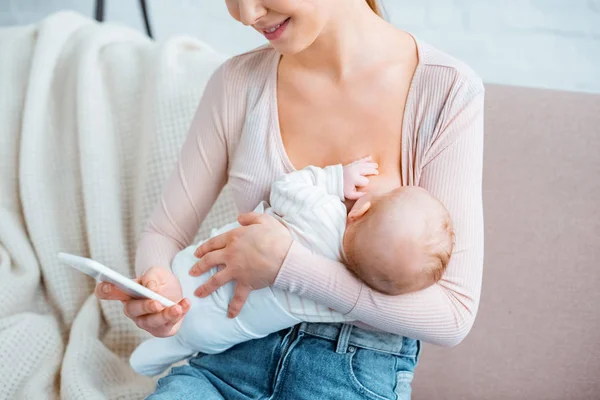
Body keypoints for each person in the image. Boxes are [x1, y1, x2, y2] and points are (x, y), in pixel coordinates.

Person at [96, 0, 485, 398]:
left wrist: (287, 268)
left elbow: (452, 316)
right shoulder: (237, 82)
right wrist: (160, 292)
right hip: (226, 356)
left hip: (353, 371)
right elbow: (164, 231)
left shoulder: (446, 91)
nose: (246, 15)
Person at [129, 159, 454, 377]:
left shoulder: (322, 211)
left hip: (194, 273)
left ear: (359, 211)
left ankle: (159, 335)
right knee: (185, 341)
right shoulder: (333, 305)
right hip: (219, 335)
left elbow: (286, 187)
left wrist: (334, 178)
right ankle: (166, 349)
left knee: (178, 294)